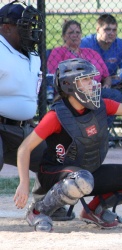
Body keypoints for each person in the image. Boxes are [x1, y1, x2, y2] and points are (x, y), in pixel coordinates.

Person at [13, 58, 122, 232]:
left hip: (86, 173)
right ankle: (37, 211)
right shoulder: (56, 115)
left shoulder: (100, 106)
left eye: (92, 78)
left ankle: (94, 210)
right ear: (69, 85)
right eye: (86, 79)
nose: (93, 83)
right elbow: (24, 148)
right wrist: (24, 183)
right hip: (53, 174)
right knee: (82, 179)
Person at [0, 1, 46, 173]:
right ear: (6, 28)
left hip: (21, 128)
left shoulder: (33, 55)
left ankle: (44, 200)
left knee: (52, 160)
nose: (31, 31)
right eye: (25, 26)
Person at [80, 14, 122, 101]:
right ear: (98, 29)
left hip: (116, 84)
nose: (111, 33)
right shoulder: (85, 44)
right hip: (91, 85)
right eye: (107, 29)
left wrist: (114, 78)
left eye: (114, 30)